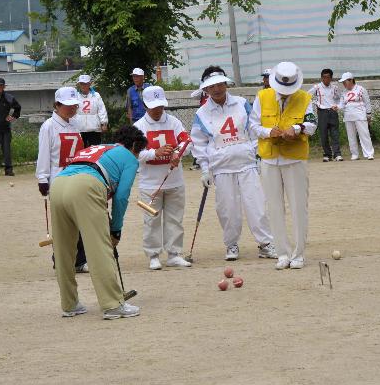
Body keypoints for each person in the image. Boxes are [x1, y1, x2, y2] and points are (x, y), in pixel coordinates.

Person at [50, 125, 146, 319]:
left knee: (63, 249)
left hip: (58, 185)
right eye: (139, 151)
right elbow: (121, 197)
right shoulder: (129, 157)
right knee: (99, 248)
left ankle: (69, 304)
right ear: (134, 145)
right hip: (87, 186)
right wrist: (116, 230)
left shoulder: (100, 148)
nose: (138, 157)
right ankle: (112, 304)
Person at [190, 65, 277, 261]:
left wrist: (257, 154)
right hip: (221, 168)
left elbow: (254, 130)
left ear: (226, 84)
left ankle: (265, 244)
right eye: (212, 87)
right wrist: (205, 170)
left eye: (220, 84)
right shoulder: (202, 113)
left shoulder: (242, 103)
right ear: (206, 89)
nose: (217, 89)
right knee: (227, 210)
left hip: (246, 164)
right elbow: (199, 143)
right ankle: (231, 245)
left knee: (256, 206)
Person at [248, 61, 316, 270]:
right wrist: (269, 132)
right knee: (274, 208)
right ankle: (282, 253)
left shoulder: (305, 98)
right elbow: (253, 124)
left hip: (294, 158)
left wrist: (296, 129)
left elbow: (312, 124)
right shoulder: (262, 96)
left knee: (298, 207)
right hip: (269, 158)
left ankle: (298, 254)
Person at [133, 85, 192, 270]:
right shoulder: (138, 127)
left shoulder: (174, 122)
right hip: (150, 184)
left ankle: (174, 254)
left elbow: (187, 142)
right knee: (151, 221)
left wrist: (178, 154)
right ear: (145, 105)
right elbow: (135, 153)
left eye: (160, 106)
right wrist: (154, 153)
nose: (158, 110)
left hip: (175, 181)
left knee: (175, 218)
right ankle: (153, 255)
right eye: (153, 106)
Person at [37, 87, 89, 272]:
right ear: (57, 105)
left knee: (81, 222)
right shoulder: (49, 126)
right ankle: (60, 260)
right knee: (64, 225)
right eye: (67, 106)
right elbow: (44, 153)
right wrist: (42, 178)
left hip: (77, 179)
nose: (72, 109)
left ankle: (80, 261)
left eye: (74, 105)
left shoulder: (75, 125)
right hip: (58, 181)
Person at [308, 68, 343, 162]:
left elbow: (341, 98)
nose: (325, 80)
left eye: (328, 77)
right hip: (322, 112)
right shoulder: (317, 87)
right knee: (323, 134)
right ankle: (327, 154)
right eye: (324, 77)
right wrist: (315, 102)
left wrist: (338, 106)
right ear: (321, 78)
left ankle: (337, 154)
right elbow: (307, 96)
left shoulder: (335, 88)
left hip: (332, 111)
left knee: (335, 134)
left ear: (331, 78)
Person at [339, 72, 374, 160]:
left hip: (360, 115)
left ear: (351, 80)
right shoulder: (344, 92)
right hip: (348, 116)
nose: (343, 84)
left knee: (364, 134)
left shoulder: (361, 89)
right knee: (351, 136)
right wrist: (337, 107)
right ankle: (354, 154)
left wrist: (368, 114)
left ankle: (369, 153)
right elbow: (341, 104)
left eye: (345, 81)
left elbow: (367, 102)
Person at [74, 74, 108, 147]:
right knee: (80, 149)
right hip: (79, 128)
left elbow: (102, 109)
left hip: (94, 128)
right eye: (81, 84)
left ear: (90, 84)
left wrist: (104, 123)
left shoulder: (96, 95)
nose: (83, 86)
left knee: (95, 149)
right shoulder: (75, 96)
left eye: (85, 84)